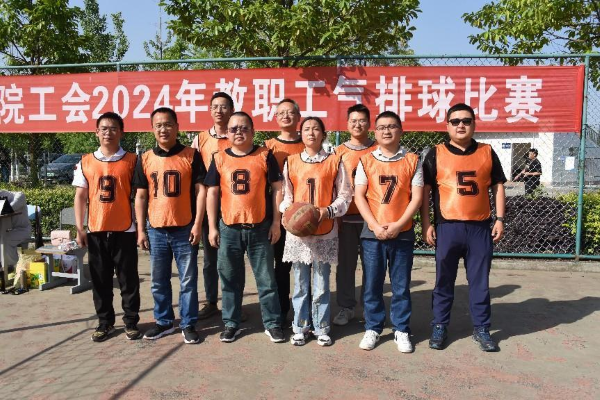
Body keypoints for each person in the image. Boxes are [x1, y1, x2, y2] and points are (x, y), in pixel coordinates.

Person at [420, 103, 506, 352]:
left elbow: (498, 185)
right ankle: (439, 325)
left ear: (474, 124)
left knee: (479, 282)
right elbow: (425, 191)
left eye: (466, 121)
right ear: (447, 125)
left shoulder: (487, 151)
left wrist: (500, 219)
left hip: (479, 227)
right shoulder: (435, 153)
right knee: (443, 280)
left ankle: (481, 328)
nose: (461, 125)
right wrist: (426, 223)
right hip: (448, 227)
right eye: (455, 121)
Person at [205, 111, 285, 343]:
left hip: (259, 227)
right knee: (230, 279)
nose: (238, 132)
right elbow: (212, 193)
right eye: (233, 129)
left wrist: (276, 222)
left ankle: (272, 323)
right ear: (227, 133)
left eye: (243, 128)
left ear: (252, 131)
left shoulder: (264, 155)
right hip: (229, 228)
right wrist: (212, 227)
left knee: (266, 280)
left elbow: (277, 189)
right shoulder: (219, 157)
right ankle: (231, 323)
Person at [133, 107, 207, 344]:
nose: (163, 129)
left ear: (177, 127)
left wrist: (198, 224)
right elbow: (141, 196)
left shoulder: (191, 155)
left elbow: (201, 191)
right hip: (156, 228)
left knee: (188, 280)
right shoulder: (145, 158)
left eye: (167, 124)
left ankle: (188, 323)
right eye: (158, 125)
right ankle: (164, 322)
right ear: (152, 129)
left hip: (185, 227)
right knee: (158, 280)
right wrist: (141, 230)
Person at [353, 111, 422, 353]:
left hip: (402, 233)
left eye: (392, 126)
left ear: (401, 130)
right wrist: (373, 225)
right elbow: (359, 196)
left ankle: (401, 329)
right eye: (381, 127)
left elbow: (416, 198)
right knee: (372, 284)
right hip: (373, 234)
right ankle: (373, 327)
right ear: (375, 132)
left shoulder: (413, 160)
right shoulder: (366, 160)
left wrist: (399, 224)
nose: (386, 131)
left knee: (401, 286)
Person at [280, 116, 352, 347]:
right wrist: (289, 212)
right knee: (300, 283)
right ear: (301, 134)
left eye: (316, 129)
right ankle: (300, 327)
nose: (311, 133)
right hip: (298, 234)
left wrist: (328, 211)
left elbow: (345, 195)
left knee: (321, 283)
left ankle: (321, 327)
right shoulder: (291, 161)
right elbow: (286, 196)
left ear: (323, 134)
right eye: (307, 129)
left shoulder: (335, 161)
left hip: (324, 229)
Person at [73, 112, 141, 342]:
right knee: (100, 280)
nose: (108, 133)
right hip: (96, 229)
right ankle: (105, 323)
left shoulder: (132, 160)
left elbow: (140, 196)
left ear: (121, 132)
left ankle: (131, 322)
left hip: (125, 229)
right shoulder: (86, 161)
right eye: (103, 128)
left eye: (113, 128)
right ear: (96, 132)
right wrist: (80, 228)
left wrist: (140, 227)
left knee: (128, 280)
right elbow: (80, 196)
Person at [191, 92, 234, 320]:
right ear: (210, 110)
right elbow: (195, 174)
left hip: (233, 204)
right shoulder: (200, 140)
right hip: (208, 204)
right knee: (210, 259)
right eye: (215, 106)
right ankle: (210, 301)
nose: (219, 110)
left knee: (231, 259)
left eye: (224, 106)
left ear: (231, 110)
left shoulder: (238, 135)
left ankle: (232, 304)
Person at [333, 104, 377, 326]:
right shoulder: (338, 152)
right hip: (346, 218)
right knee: (345, 266)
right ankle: (346, 307)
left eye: (362, 120)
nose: (357, 124)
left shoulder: (379, 149)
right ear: (347, 124)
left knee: (372, 266)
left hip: (373, 219)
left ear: (369, 123)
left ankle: (370, 308)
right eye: (353, 121)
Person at [263, 98, 305, 324]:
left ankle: (304, 312)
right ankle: (281, 310)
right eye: (281, 113)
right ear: (276, 118)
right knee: (280, 266)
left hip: (304, 215)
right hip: (277, 214)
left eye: (290, 112)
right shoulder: (268, 146)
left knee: (304, 265)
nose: (286, 116)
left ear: (298, 117)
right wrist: (275, 218)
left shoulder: (308, 143)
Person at [0, 189, 31, 282]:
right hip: (10, 231)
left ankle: (13, 267)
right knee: (3, 237)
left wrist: (2, 205)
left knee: (5, 240)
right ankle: (4, 267)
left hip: (23, 230)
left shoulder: (20, 196)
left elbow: (9, 209)